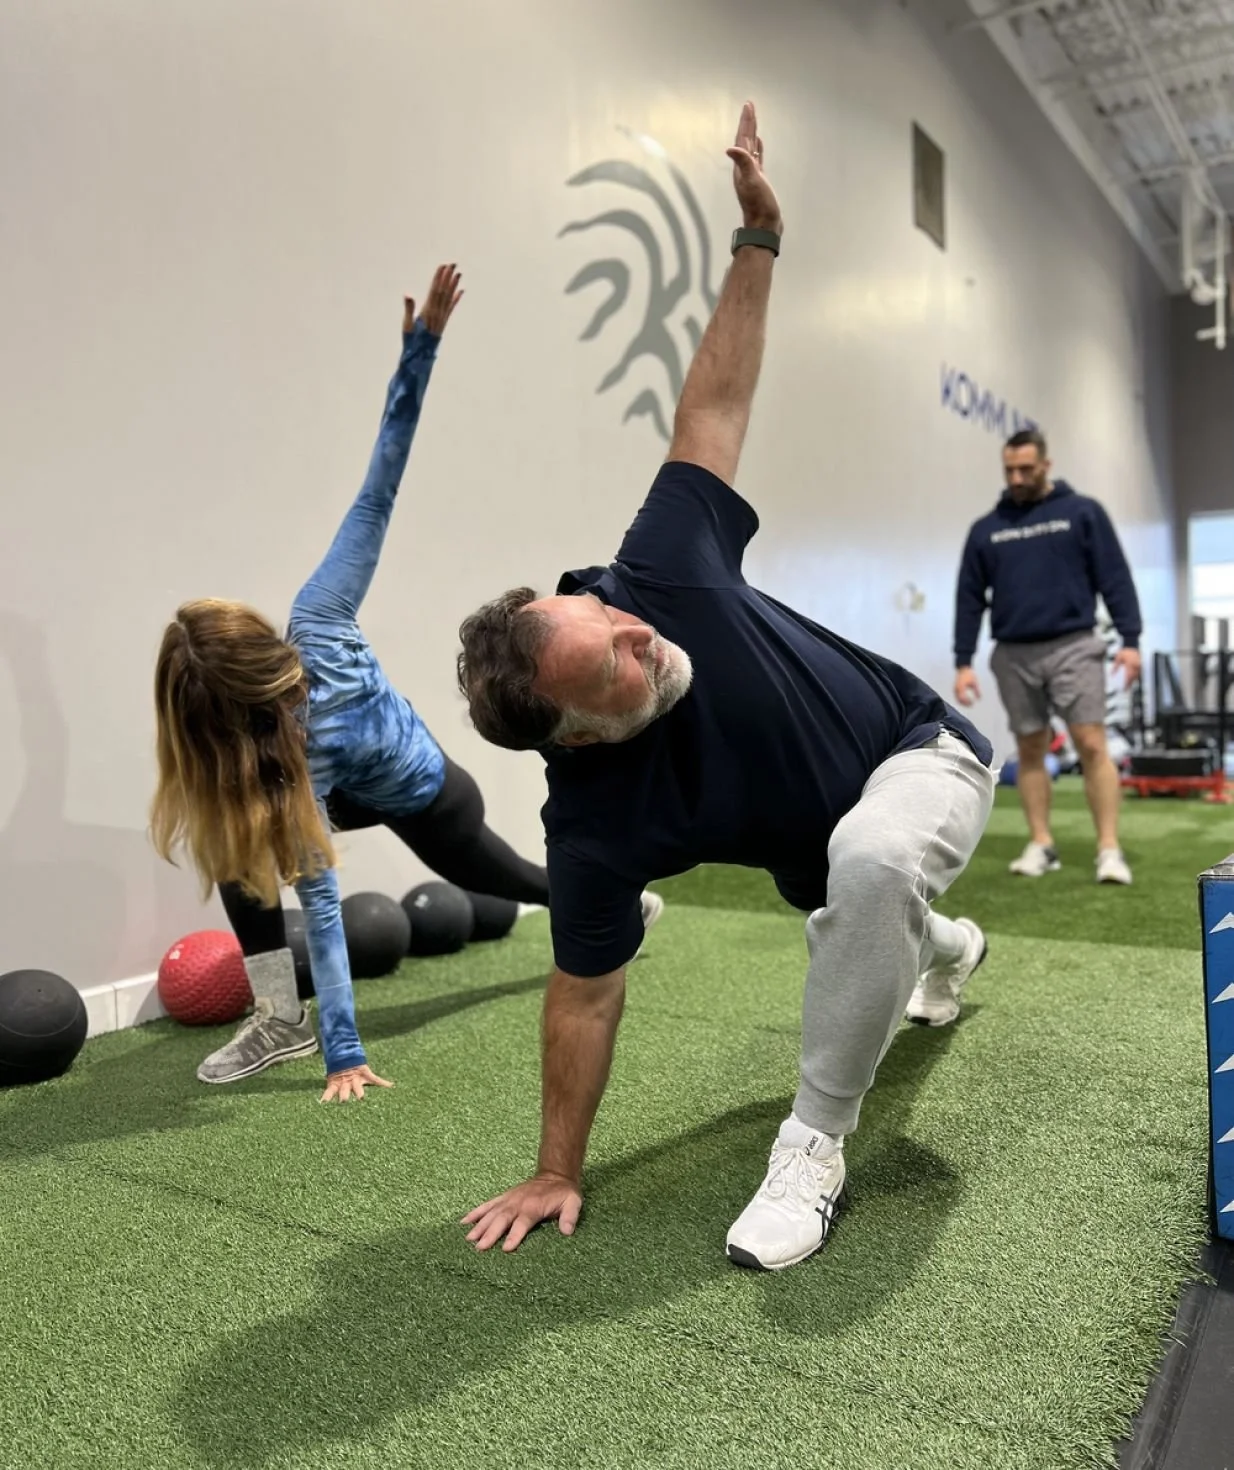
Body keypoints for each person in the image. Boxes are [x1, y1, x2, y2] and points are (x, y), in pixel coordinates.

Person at [453, 104, 996, 1271]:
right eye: (619, 660)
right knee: (870, 902)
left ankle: (811, 1148)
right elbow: (583, 995)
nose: (638, 631)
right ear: (583, 736)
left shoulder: (656, 567)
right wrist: (556, 1167)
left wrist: (759, 240)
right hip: (825, 846)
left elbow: (713, 406)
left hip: (921, 749)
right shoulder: (594, 824)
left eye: (611, 616)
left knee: (871, 866)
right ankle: (955, 951)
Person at [150, 265, 597, 1103]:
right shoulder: (284, 739)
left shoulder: (316, 655)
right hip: (330, 782)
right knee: (240, 851)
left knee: (504, 881)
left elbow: (323, 907)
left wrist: (347, 1052)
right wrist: (418, 350)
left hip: (422, 787)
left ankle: (611, 906)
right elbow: (376, 491)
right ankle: (281, 1021)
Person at [952, 429, 1142, 885]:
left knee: (1092, 743)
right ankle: (1041, 843)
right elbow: (969, 597)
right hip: (1014, 652)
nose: (1016, 478)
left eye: (1025, 469)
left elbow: (1114, 577)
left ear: (1045, 465)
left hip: (1073, 644)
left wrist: (1130, 640)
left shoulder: (1081, 513)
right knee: (1031, 749)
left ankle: (1109, 850)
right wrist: (963, 661)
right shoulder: (987, 529)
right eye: (1009, 470)